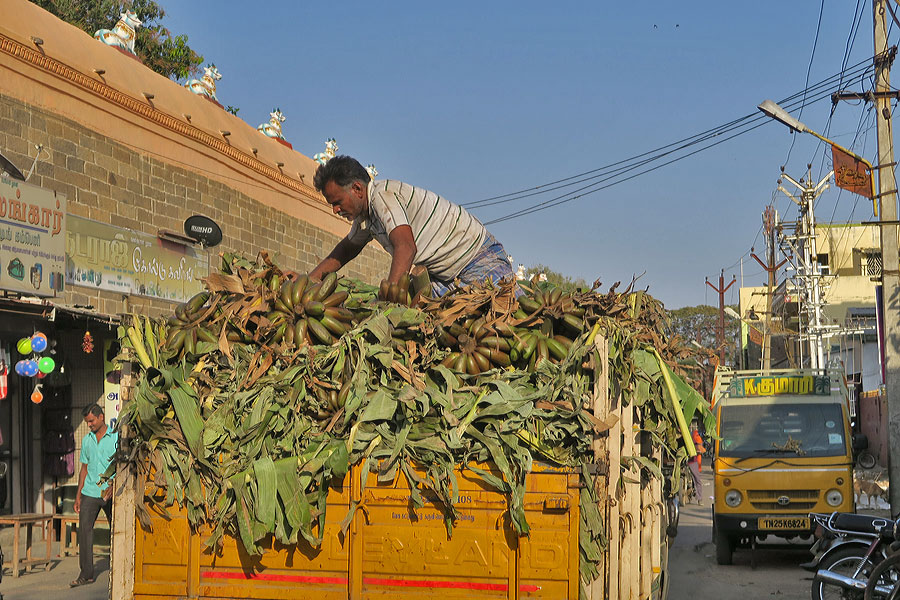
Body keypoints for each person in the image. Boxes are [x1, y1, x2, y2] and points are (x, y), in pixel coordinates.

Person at [310, 155, 516, 296]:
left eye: (337, 202)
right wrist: (309, 280)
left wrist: (389, 298)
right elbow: (346, 249)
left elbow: (406, 247)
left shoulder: (382, 196)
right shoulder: (367, 218)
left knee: (504, 312)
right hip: (446, 277)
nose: (335, 210)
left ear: (357, 189)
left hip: (478, 258)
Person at [71, 403, 117, 588]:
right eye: (87, 422)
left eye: (91, 421)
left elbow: (122, 465)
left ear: (101, 417)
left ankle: (119, 567)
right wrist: (78, 496)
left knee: (117, 531)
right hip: (90, 491)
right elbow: (84, 468)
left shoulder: (116, 437)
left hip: (112, 491)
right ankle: (86, 574)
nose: (89, 425)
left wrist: (115, 485)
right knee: (85, 531)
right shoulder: (87, 440)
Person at [688, 424, 706, 504]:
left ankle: (699, 498)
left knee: (697, 479)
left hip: (692, 460)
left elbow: (700, 448)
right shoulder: (690, 435)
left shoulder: (695, 436)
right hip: (688, 460)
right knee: (697, 479)